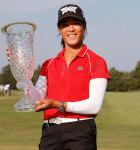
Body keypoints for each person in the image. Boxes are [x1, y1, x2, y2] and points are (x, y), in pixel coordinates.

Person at [7, 4, 110, 150]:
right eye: (65, 25)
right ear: (59, 29)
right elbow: (36, 100)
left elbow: (94, 106)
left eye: (76, 23)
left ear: (84, 26)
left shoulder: (96, 61)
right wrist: (20, 66)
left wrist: (58, 105)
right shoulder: (48, 64)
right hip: (50, 132)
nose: (71, 29)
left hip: (80, 131)